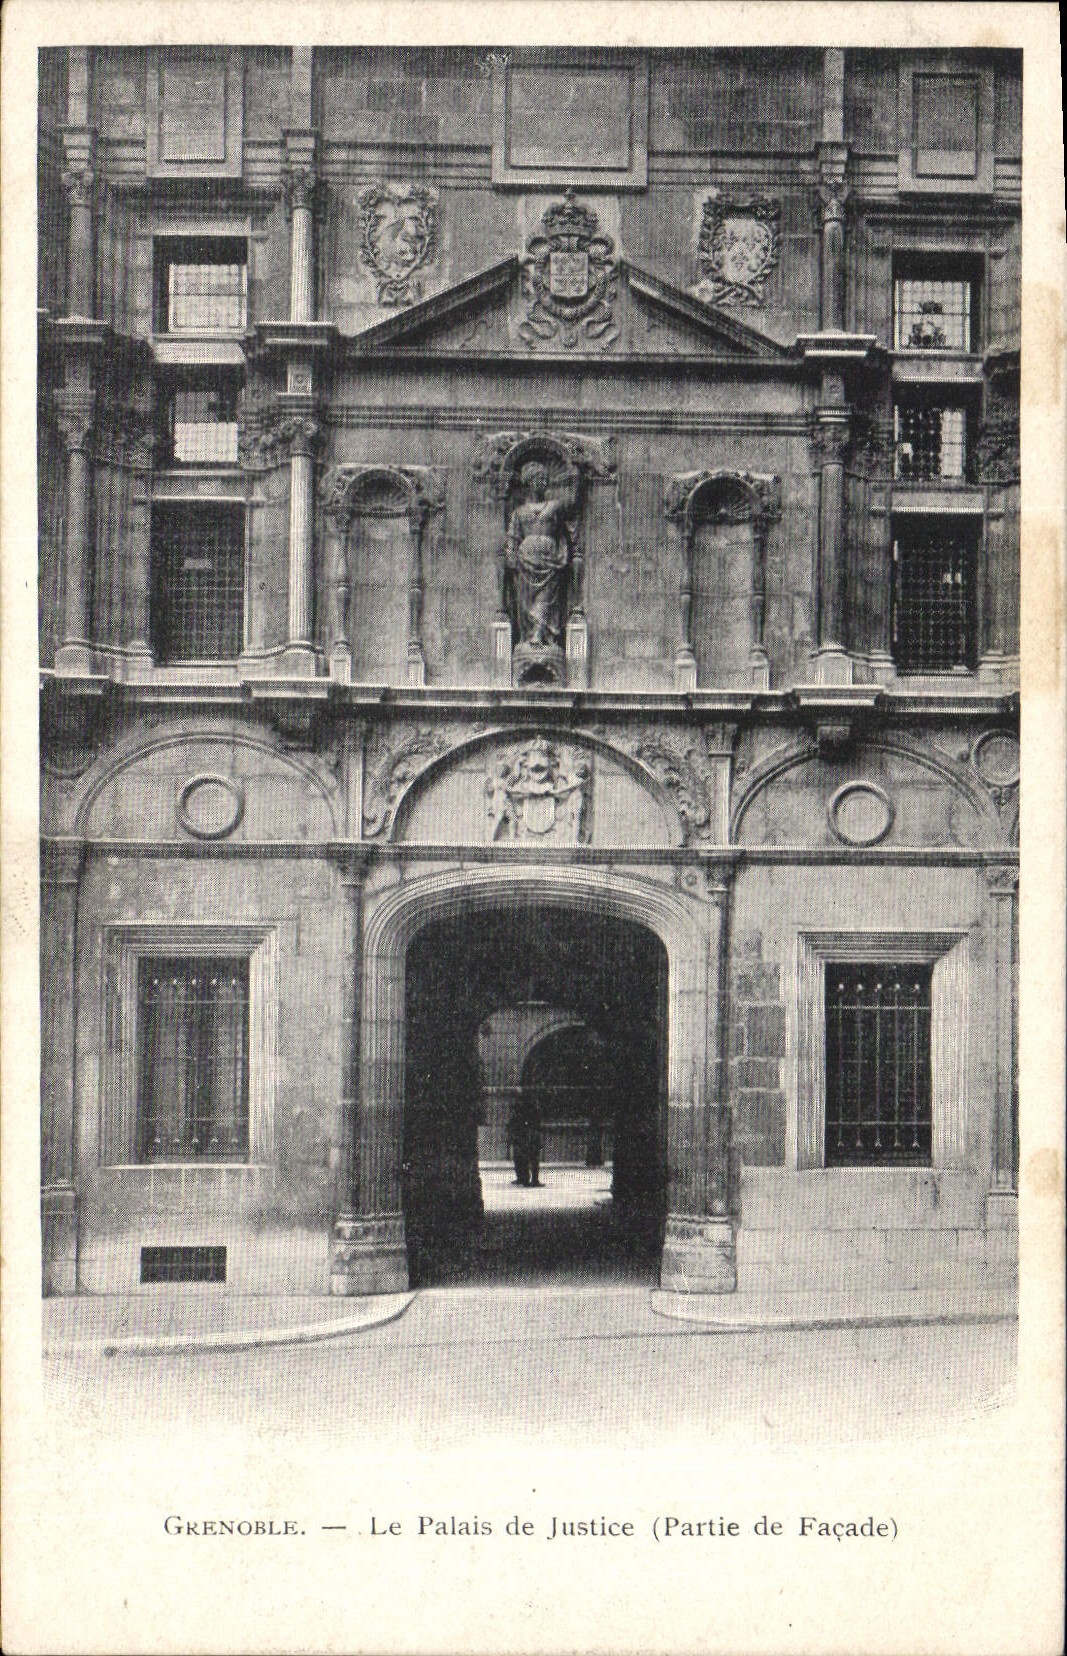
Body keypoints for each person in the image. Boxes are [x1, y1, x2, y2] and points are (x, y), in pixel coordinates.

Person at [503, 462, 573, 650]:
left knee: (546, 599)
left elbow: (572, 504)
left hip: (550, 560)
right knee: (525, 601)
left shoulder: (555, 506)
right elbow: (513, 536)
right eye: (537, 479)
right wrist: (511, 555)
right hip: (525, 560)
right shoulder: (519, 512)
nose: (542, 483)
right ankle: (528, 635)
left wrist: (576, 475)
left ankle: (540, 634)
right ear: (529, 483)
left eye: (544, 479)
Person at [508, 1091, 542, 1188]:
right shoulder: (530, 1109)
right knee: (530, 1157)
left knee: (524, 1157)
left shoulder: (520, 1110)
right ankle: (530, 1179)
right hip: (527, 1134)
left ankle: (526, 1178)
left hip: (524, 1134)